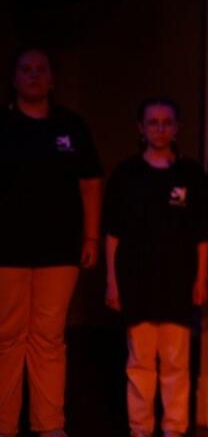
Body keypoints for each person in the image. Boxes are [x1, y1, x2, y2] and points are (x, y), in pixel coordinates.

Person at [0, 48, 103, 437]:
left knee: (49, 338)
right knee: (7, 337)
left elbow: (90, 184)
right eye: (25, 69)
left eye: (40, 69)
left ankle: (49, 424)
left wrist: (91, 236)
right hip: (7, 248)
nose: (33, 75)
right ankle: (4, 424)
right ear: (14, 77)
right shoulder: (2, 124)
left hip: (60, 248)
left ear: (52, 78)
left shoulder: (71, 126)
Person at [104, 97, 208, 437]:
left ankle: (174, 428)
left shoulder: (190, 174)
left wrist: (201, 278)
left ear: (177, 128)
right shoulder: (126, 174)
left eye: (167, 123)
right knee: (140, 362)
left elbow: (201, 234)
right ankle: (141, 429)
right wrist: (112, 283)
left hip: (178, 280)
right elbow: (113, 234)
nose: (160, 129)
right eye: (153, 122)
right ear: (141, 128)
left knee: (176, 361)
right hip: (137, 281)